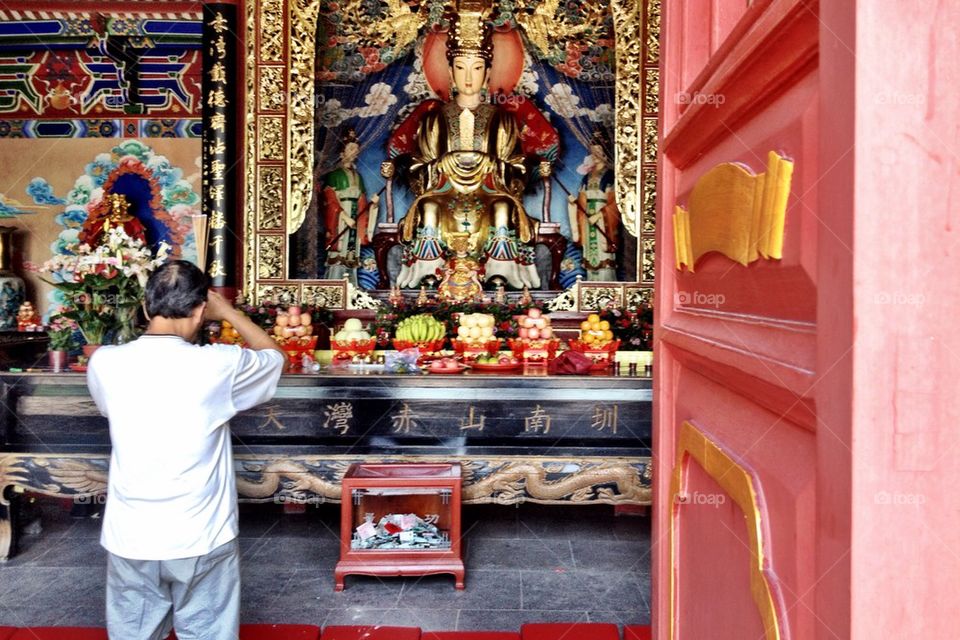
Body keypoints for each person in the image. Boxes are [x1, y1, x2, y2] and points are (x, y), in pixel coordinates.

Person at [87, 260, 286, 640]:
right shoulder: (219, 364)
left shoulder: (105, 363)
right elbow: (276, 358)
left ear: (146, 308)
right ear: (199, 311)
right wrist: (227, 310)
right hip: (200, 534)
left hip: (130, 534)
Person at [384, 5, 557, 290]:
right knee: (427, 208)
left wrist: (491, 165)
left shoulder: (500, 117)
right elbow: (417, 166)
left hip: (489, 190)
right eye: (460, 68)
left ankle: (501, 274)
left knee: (502, 208)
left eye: (477, 69)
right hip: (444, 191)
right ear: (450, 73)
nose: (468, 77)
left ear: (488, 73)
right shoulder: (435, 118)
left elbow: (518, 166)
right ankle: (430, 273)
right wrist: (441, 164)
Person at [568, 133, 620, 281]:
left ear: (605, 153)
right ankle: (592, 283)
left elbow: (615, 202)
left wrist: (600, 215)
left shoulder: (610, 175)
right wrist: (574, 203)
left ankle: (607, 286)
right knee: (590, 253)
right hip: (587, 217)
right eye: (593, 152)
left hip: (603, 220)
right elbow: (582, 198)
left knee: (604, 254)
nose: (595, 155)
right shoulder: (588, 176)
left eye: (599, 152)